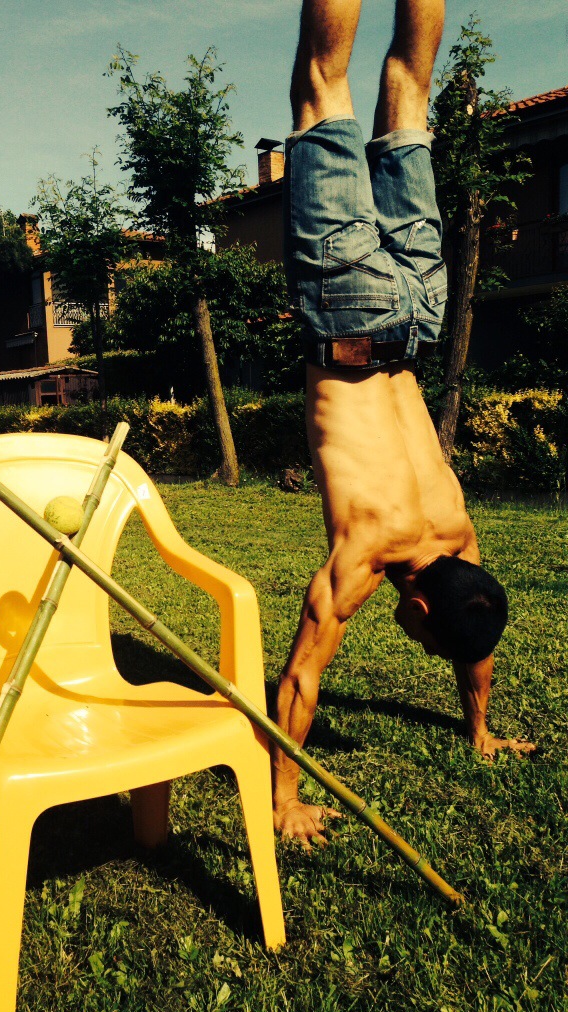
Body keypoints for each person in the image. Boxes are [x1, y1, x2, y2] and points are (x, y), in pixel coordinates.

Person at [273, 0, 535, 849]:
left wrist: (481, 727)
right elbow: (301, 678)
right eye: (424, 639)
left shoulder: (460, 535)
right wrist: (284, 798)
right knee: (324, 85)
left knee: (408, 88)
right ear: (417, 607)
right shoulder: (366, 555)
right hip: (346, 308)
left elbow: (478, 629)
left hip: (416, 311)